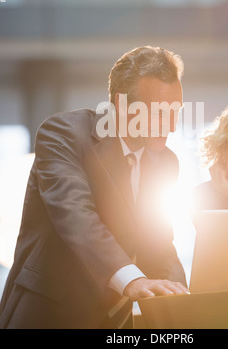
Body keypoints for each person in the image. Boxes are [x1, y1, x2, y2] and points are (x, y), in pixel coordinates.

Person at [0, 46, 189, 329]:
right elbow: (77, 216)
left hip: (112, 322)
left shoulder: (165, 163)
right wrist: (133, 280)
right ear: (123, 104)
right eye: (160, 114)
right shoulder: (64, 134)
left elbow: (158, 242)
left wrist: (183, 300)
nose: (172, 125)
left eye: (176, 111)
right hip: (46, 315)